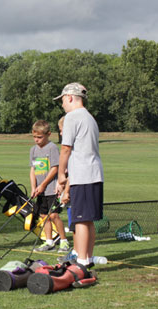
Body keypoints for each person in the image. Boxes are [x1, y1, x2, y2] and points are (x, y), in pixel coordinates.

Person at [55, 82, 104, 268]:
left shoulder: (72, 117)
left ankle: (82, 260)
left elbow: (66, 148)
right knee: (88, 219)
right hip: (94, 173)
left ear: (69, 98)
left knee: (81, 219)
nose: (62, 105)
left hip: (83, 175)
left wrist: (61, 175)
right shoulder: (90, 118)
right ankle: (87, 258)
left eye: (62, 101)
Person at [29, 120, 70, 253]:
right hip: (40, 190)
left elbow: (54, 168)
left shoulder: (52, 148)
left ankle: (64, 241)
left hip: (51, 188)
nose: (37, 140)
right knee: (43, 216)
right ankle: (49, 241)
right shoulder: (33, 150)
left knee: (53, 216)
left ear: (48, 134)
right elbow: (33, 170)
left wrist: (43, 185)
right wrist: (34, 187)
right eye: (34, 137)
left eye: (40, 137)